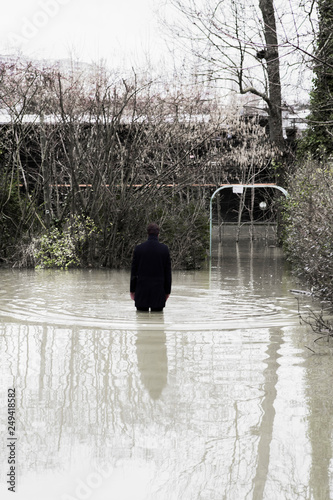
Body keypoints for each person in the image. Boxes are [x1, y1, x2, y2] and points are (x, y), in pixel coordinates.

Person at [130, 223, 171, 312]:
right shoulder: (164, 249)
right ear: (158, 235)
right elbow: (167, 273)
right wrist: (167, 291)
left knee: (140, 320)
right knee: (158, 321)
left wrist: (132, 290)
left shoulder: (139, 249)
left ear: (147, 234)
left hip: (141, 291)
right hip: (158, 291)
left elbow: (134, 272)